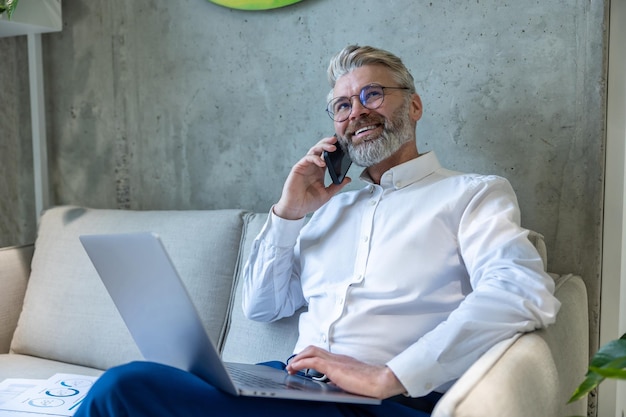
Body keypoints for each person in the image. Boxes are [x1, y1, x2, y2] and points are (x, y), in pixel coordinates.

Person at [75, 45, 560, 417]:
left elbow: (522, 291)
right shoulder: (329, 208)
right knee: (149, 383)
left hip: (382, 400)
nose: (357, 112)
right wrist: (288, 213)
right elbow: (263, 306)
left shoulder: (472, 194)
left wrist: (390, 374)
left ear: (413, 107)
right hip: (293, 385)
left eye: (372, 94)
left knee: (125, 388)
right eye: (342, 106)